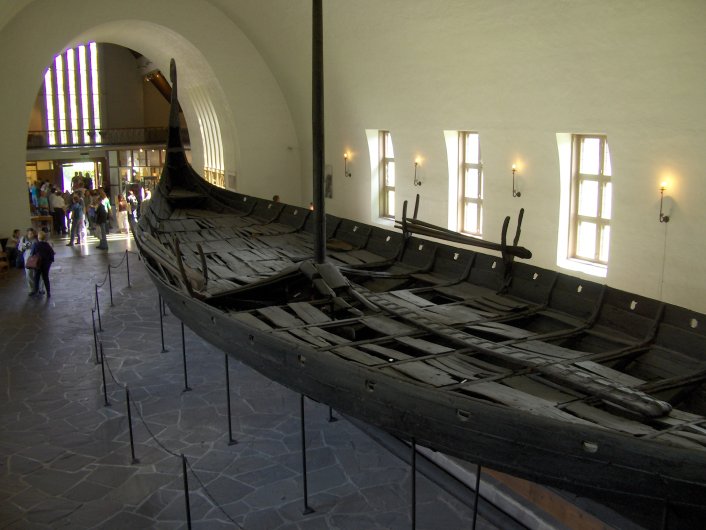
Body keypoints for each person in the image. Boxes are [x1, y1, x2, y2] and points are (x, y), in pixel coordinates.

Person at [29, 231, 55, 297]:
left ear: (38, 237)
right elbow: (52, 253)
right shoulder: (47, 245)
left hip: (38, 263)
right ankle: (48, 292)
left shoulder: (35, 244)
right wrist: (50, 261)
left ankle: (36, 291)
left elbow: (32, 254)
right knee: (45, 277)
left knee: (36, 277)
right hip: (46, 263)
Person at [18, 228, 38, 293]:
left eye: (32, 233)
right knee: (28, 273)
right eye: (29, 233)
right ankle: (31, 289)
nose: (31, 235)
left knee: (37, 273)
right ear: (27, 233)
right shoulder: (23, 238)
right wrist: (25, 246)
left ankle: (39, 288)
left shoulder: (37, 238)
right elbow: (20, 248)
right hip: (27, 256)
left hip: (36, 256)